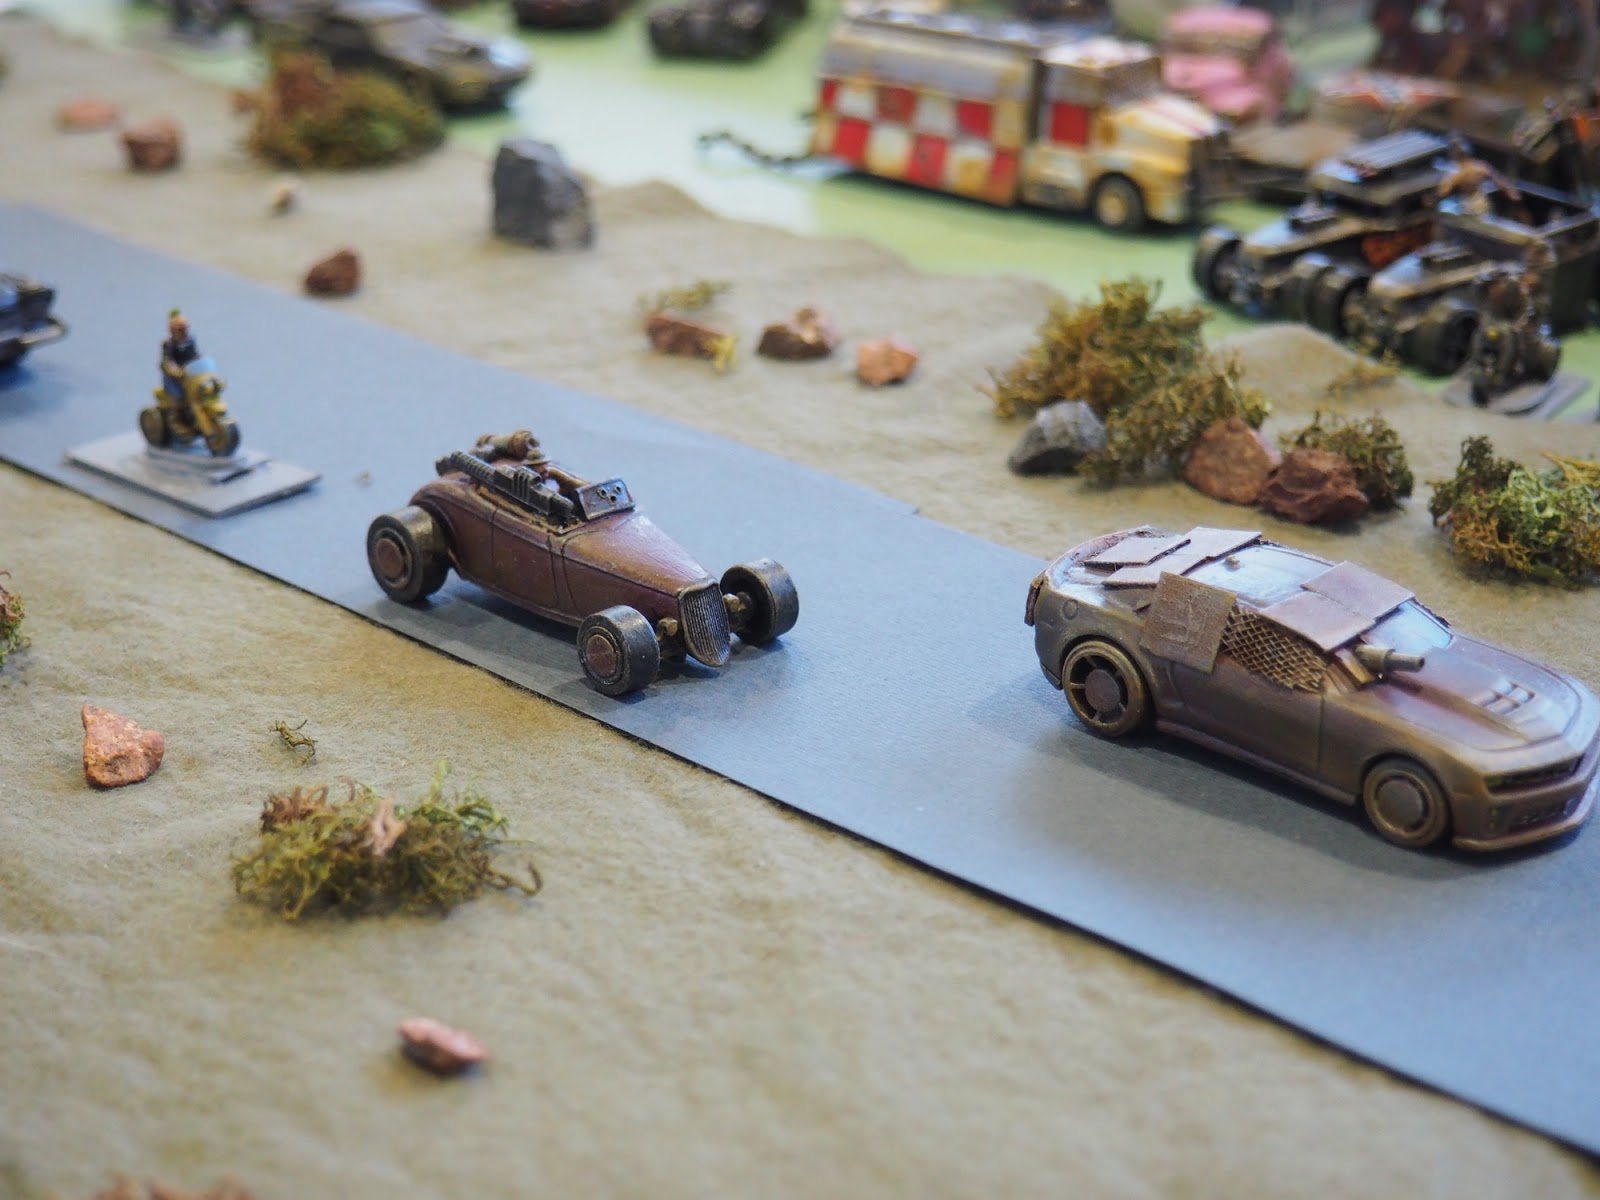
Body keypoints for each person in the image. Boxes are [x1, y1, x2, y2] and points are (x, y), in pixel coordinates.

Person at [1436, 133, 1521, 215]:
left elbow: (1443, 191)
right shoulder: (1476, 167)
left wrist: (1511, 191)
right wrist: (1510, 191)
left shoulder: (1462, 171)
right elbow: (1499, 180)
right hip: (1474, 204)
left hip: (1472, 206)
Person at [160, 309, 199, 402]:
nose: (184, 332)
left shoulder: (190, 341)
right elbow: (166, 362)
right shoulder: (169, 345)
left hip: (190, 375)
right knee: (180, 397)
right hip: (174, 379)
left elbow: (195, 356)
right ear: (173, 331)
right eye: (180, 330)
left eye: (185, 328)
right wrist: (174, 371)